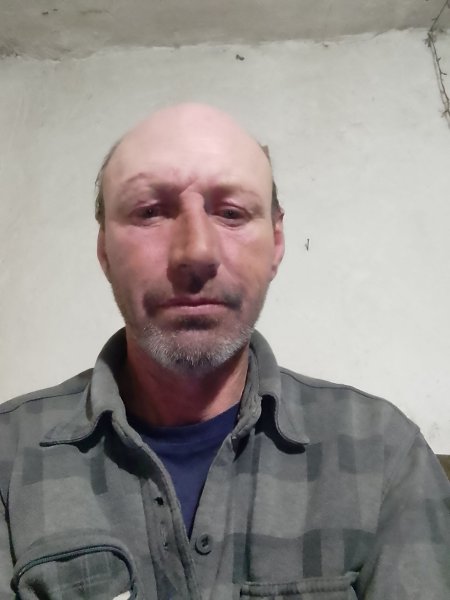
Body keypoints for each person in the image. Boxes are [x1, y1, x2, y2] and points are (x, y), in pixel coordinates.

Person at [0, 103, 449, 600]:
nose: (196, 252)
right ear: (104, 249)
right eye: (149, 212)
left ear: (276, 241)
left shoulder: (385, 454)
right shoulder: (7, 455)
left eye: (232, 213)